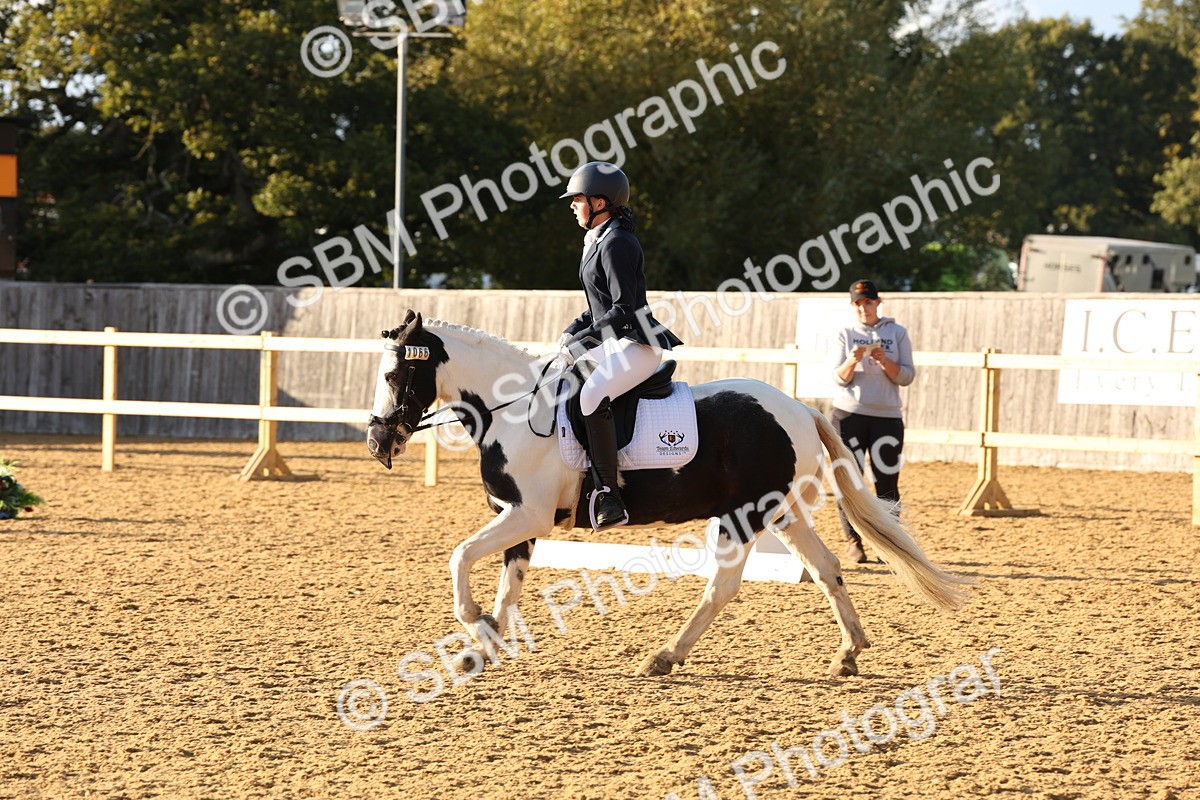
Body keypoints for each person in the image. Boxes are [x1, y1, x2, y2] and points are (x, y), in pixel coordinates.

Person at [557, 161, 683, 530]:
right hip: (614, 341)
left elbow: (624, 309)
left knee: (591, 396)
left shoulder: (617, 243)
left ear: (599, 202)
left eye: (577, 199)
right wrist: (571, 333)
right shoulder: (598, 239)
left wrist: (583, 345)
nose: (572, 205)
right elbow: (598, 304)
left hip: (636, 344)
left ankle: (609, 494)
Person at [829, 279, 915, 563]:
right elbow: (838, 379)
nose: (863, 308)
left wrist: (884, 360)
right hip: (849, 416)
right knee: (849, 480)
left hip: (887, 418)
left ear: (878, 302)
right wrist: (852, 361)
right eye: (857, 304)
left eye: (867, 302)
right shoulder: (844, 332)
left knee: (887, 481)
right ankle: (854, 540)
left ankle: (888, 543)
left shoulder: (897, 332)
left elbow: (906, 377)